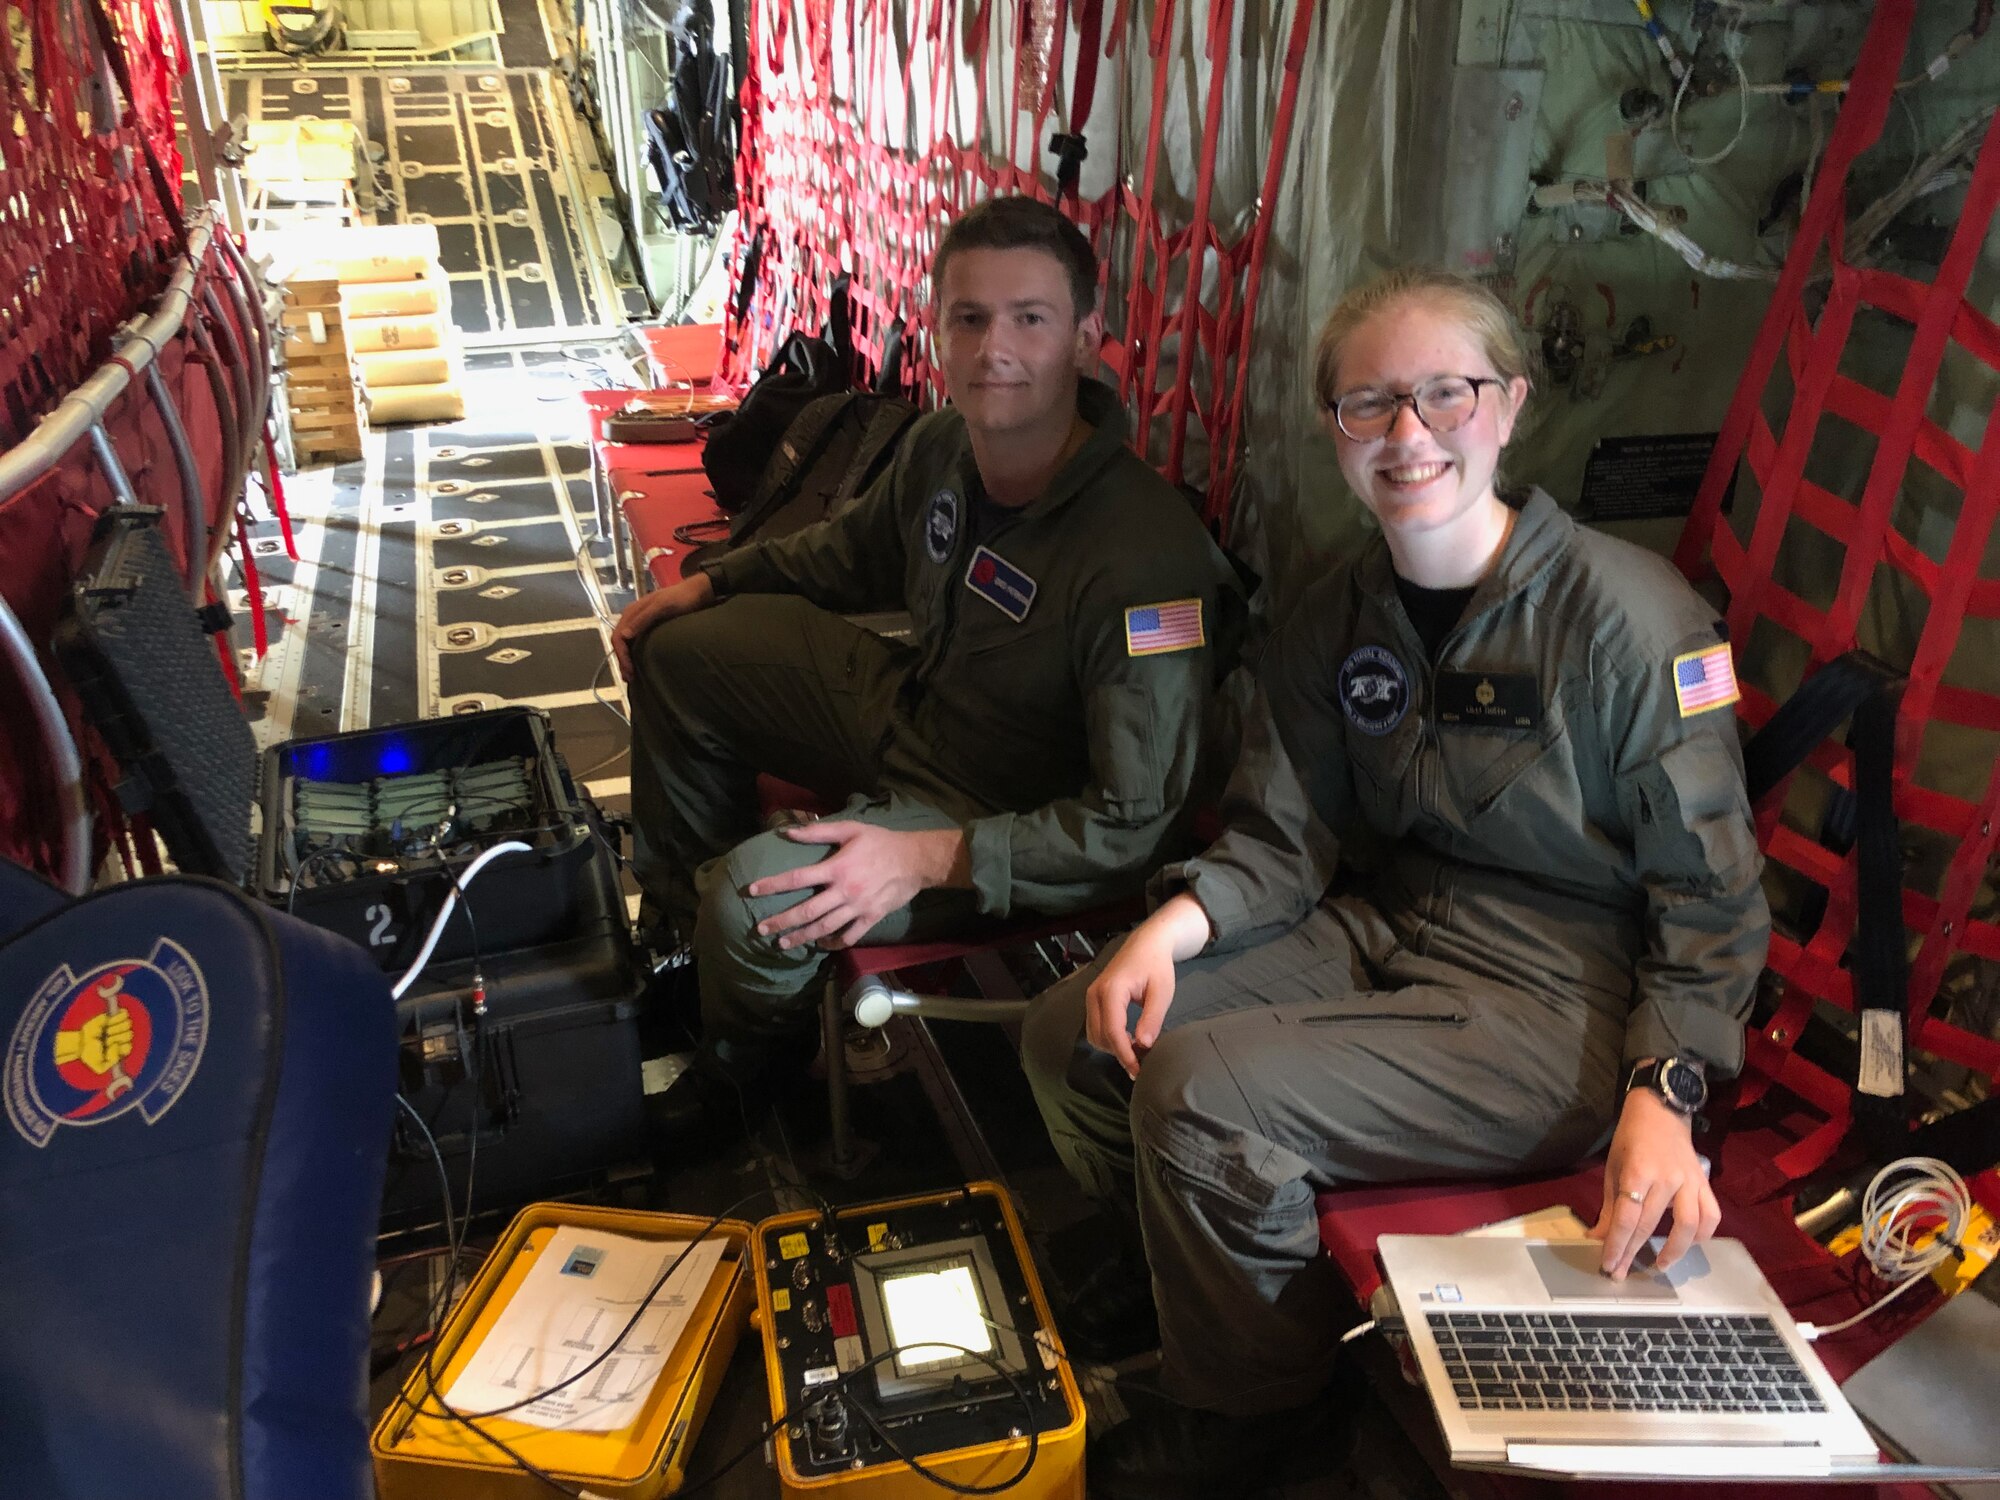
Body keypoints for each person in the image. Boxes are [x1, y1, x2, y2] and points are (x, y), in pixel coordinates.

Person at [1021, 266, 1769, 1498]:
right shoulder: (1333, 614)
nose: (1408, 434)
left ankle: (1257, 1413)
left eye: (1444, 394)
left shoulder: (1636, 622)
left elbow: (1711, 894)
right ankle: (1185, 1254)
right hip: (1389, 921)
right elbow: (1283, 835)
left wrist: (1666, 1088)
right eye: (1368, 404)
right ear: (1334, 430)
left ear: (1510, 405)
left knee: (1206, 1093)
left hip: (1561, 991)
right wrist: (1170, 922)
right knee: (1080, 1033)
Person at [613, 195, 1243, 1148]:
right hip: (914, 704)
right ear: (937, 328)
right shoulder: (943, 446)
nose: (997, 347)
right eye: (970, 316)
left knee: (757, 903)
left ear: (1086, 339)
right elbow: (847, 555)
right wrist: (712, 585)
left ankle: (747, 1078)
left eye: (1031, 319)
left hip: (1002, 812)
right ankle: (684, 962)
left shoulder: (1144, 562)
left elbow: (1130, 828)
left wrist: (928, 856)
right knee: (680, 653)